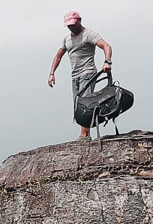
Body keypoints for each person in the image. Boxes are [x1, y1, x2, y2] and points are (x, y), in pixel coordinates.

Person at [48, 10, 112, 141]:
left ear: (80, 20)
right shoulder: (67, 38)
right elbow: (58, 56)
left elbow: (106, 46)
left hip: (88, 73)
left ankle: (85, 136)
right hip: (75, 76)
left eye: (73, 24)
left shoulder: (89, 34)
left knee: (85, 103)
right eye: (69, 25)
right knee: (78, 105)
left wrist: (107, 61)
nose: (71, 27)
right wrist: (52, 73)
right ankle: (84, 134)